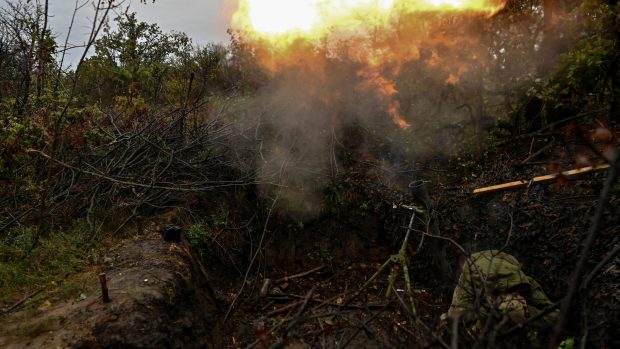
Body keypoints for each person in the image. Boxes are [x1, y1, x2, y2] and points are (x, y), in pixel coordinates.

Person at [444, 250, 559, 333]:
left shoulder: (524, 283)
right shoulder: (471, 281)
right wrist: (487, 316)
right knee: (452, 319)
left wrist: (528, 312)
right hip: (474, 267)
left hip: (507, 261)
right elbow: (457, 319)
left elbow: (555, 316)